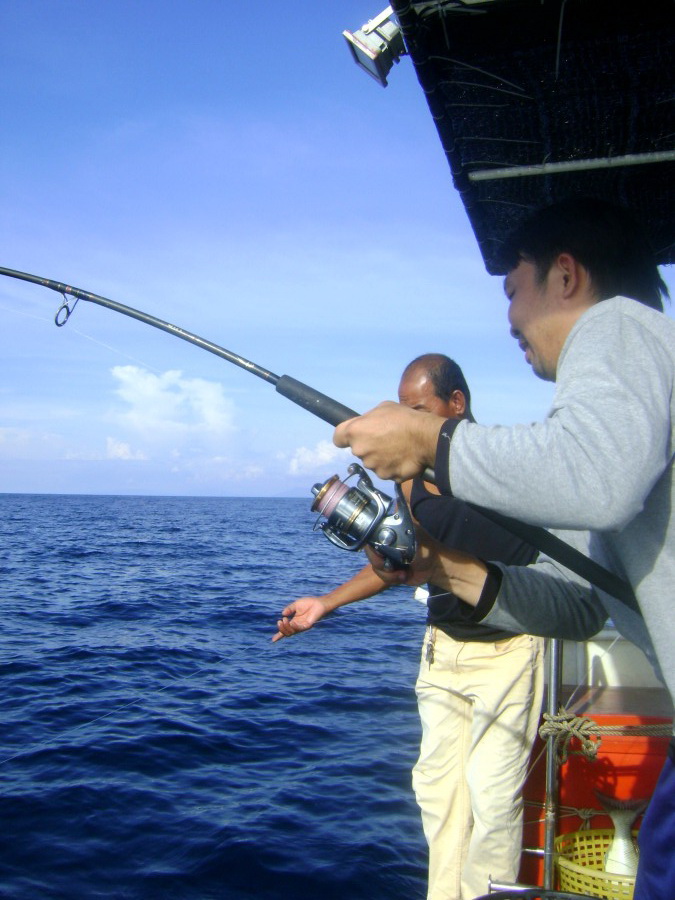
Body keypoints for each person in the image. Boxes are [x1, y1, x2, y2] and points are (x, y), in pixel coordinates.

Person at [333, 197, 674, 900]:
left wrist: (430, 443)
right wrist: (444, 570)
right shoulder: (597, 423)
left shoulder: (618, 328)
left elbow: (599, 476)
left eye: (512, 289)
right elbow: (581, 605)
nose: (510, 318)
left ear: (566, 276)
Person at [274, 354, 547, 900]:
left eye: (418, 409)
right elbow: (408, 564)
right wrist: (327, 603)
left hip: (511, 648)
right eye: (403, 410)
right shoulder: (408, 486)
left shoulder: (501, 463)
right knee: (437, 795)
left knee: (493, 800)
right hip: (443, 650)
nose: (408, 421)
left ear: (456, 405)